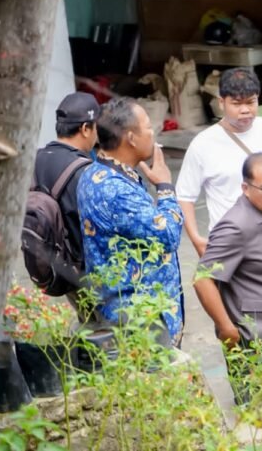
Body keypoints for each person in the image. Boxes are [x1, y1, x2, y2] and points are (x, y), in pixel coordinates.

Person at [78, 97, 184, 344]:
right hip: (140, 319)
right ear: (131, 138)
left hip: (133, 311)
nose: (153, 133)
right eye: (148, 127)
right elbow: (168, 235)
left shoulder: (96, 172)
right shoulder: (115, 189)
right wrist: (166, 187)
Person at [176, 67, 262, 257]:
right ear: (221, 102)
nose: (245, 110)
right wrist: (196, 239)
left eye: (251, 102)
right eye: (236, 104)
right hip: (228, 242)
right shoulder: (202, 144)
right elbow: (185, 196)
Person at [194, 153, 262, 348]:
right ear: (245, 188)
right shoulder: (235, 226)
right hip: (257, 338)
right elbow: (203, 279)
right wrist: (226, 328)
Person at [31, 93, 100, 301]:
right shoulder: (85, 172)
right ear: (85, 129)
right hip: (84, 273)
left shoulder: (36, 158)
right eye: (95, 127)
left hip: (56, 265)